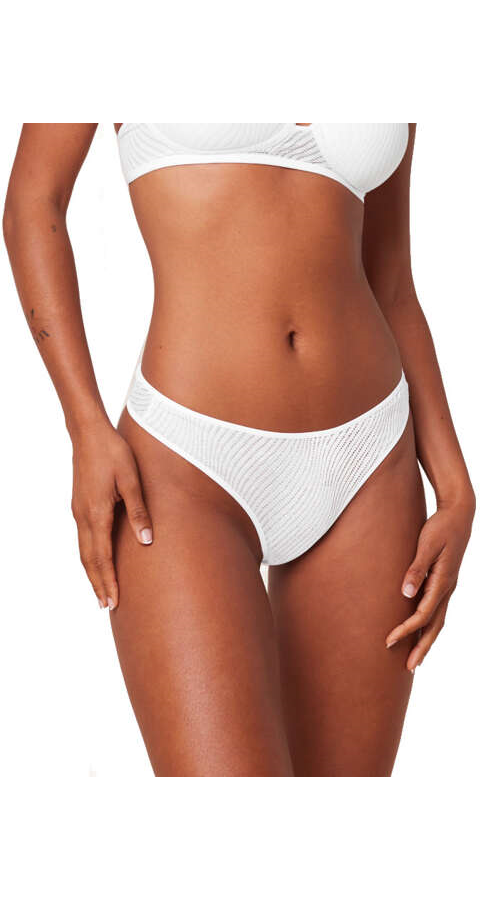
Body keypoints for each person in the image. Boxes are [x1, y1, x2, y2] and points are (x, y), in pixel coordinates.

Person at [3, 123, 475, 776]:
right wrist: (85, 426)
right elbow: (34, 201)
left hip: (368, 463)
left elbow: (391, 277)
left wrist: (454, 484)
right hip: (184, 464)